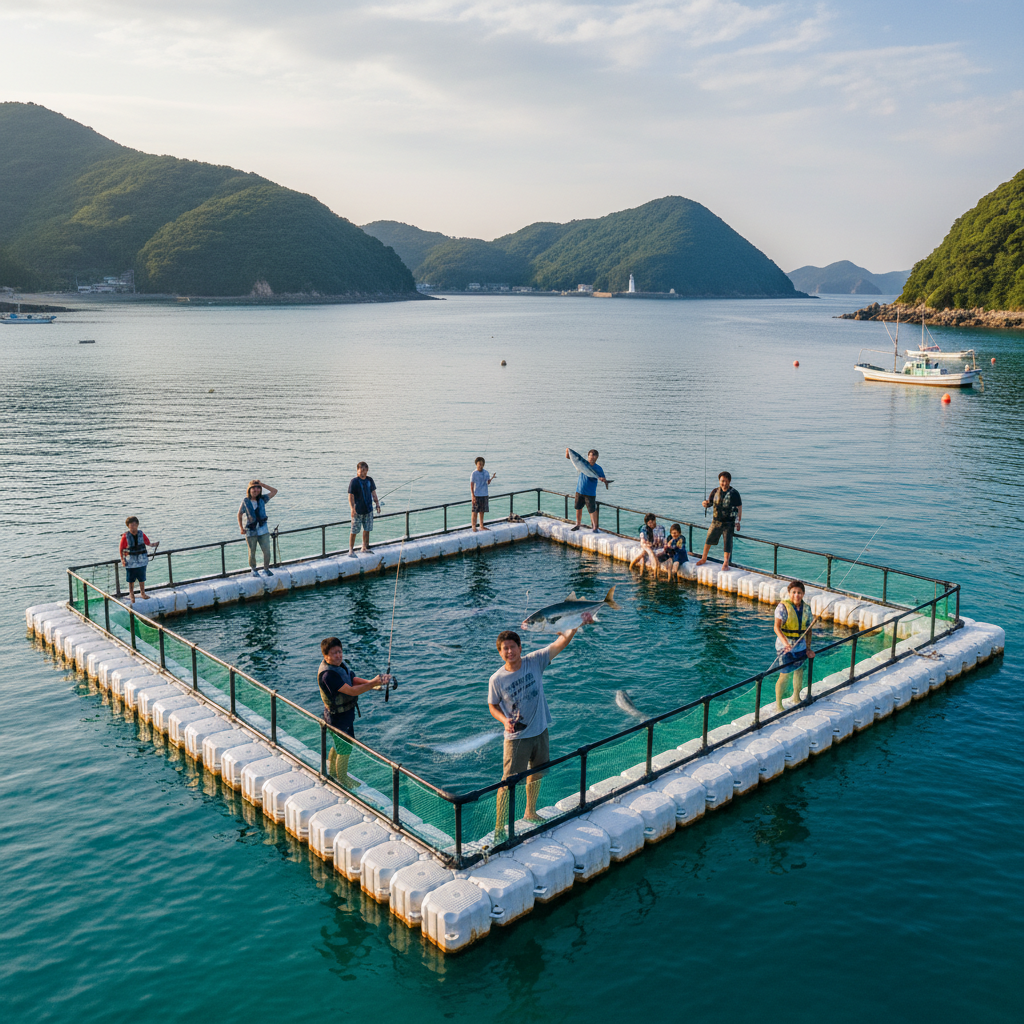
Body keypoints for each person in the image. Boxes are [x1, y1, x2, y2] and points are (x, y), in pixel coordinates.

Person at [488, 627, 577, 840]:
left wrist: (574, 625)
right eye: (505, 649)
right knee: (507, 784)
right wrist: (504, 720)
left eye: (512, 647)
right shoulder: (497, 679)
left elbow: (561, 643)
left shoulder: (535, 661)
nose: (509, 651)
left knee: (537, 773)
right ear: (500, 653)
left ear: (520, 647)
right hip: (516, 738)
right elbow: (493, 706)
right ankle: (499, 828)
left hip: (540, 730)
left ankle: (530, 812)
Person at [317, 636, 390, 786]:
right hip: (336, 716)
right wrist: (374, 682)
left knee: (339, 744)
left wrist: (373, 684)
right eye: (333, 653)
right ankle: (342, 779)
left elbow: (353, 679)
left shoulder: (340, 666)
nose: (338, 655)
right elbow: (350, 691)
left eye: (339, 651)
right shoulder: (328, 675)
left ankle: (332, 772)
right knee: (345, 747)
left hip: (345, 714)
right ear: (325, 656)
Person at [772, 580, 814, 711]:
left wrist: (808, 648)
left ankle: (796, 697)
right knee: (784, 674)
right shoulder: (782, 607)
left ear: (803, 594)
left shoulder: (806, 608)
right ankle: (779, 705)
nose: (797, 595)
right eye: (794, 592)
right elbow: (776, 628)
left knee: (799, 671)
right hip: (784, 647)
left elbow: (808, 630)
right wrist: (785, 643)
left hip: (800, 647)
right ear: (789, 593)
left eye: (799, 593)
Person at [694, 471, 742, 570]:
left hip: (729, 522)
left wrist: (738, 522)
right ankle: (704, 558)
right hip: (716, 521)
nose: (723, 483)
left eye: (725, 481)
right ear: (719, 481)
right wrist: (705, 504)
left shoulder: (734, 493)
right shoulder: (715, 491)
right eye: (722, 481)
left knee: (727, 542)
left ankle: (726, 562)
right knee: (708, 539)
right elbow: (710, 502)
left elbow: (739, 507)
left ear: (729, 481)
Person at [237, 479, 278, 577]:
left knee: (267, 551)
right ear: (249, 489)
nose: (256, 490)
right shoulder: (245, 501)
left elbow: (274, 491)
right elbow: (239, 514)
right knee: (252, 552)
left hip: (263, 530)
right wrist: (241, 528)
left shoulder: (263, 499)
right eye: (253, 488)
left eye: (258, 488)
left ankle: (266, 569)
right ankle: (254, 569)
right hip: (251, 531)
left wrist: (262, 484)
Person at [565, 447, 609, 532]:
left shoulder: (598, 468)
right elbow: (569, 457)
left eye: (594, 457)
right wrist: (568, 450)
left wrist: (604, 480)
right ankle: (578, 524)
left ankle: (595, 528)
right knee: (578, 508)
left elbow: (603, 477)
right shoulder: (581, 463)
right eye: (590, 456)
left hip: (590, 492)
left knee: (592, 510)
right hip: (580, 490)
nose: (592, 458)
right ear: (588, 456)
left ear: (597, 457)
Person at [119, 516, 159, 603]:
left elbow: (147, 542)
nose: (133, 526)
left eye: (134, 524)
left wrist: (154, 545)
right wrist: (122, 559)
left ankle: (143, 593)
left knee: (142, 578)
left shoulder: (141, 533)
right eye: (131, 525)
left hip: (141, 561)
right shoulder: (125, 536)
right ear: (128, 526)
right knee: (131, 579)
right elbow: (121, 549)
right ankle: (131, 594)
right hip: (130, 561)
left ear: (137, 525)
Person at [348, 462, 381, 556]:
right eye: (362, 470)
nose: (364, 472)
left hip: (368, 509)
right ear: (357, 470)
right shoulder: (354, 481)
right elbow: (350, 496)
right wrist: (352, 508)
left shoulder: (370, 480)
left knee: (367, 529)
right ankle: (351, 549)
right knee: (354, 530)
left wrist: (377, 504)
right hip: (357, 510)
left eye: (365, 470)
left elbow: (373, 493)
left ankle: (364, 547)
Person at [470, 456, 496, 532]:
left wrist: (492, 478)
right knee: (475, 511)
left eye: (482, 464)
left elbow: (487, 482)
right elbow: (471, 485)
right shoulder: (474, 473)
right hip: (477, 494)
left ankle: (481, 525)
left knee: (482, 511)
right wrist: (473, 496)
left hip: (484, 494)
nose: (480, 466)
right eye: (479, 464)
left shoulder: (486, 472)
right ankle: (474, 526)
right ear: (476, 464)